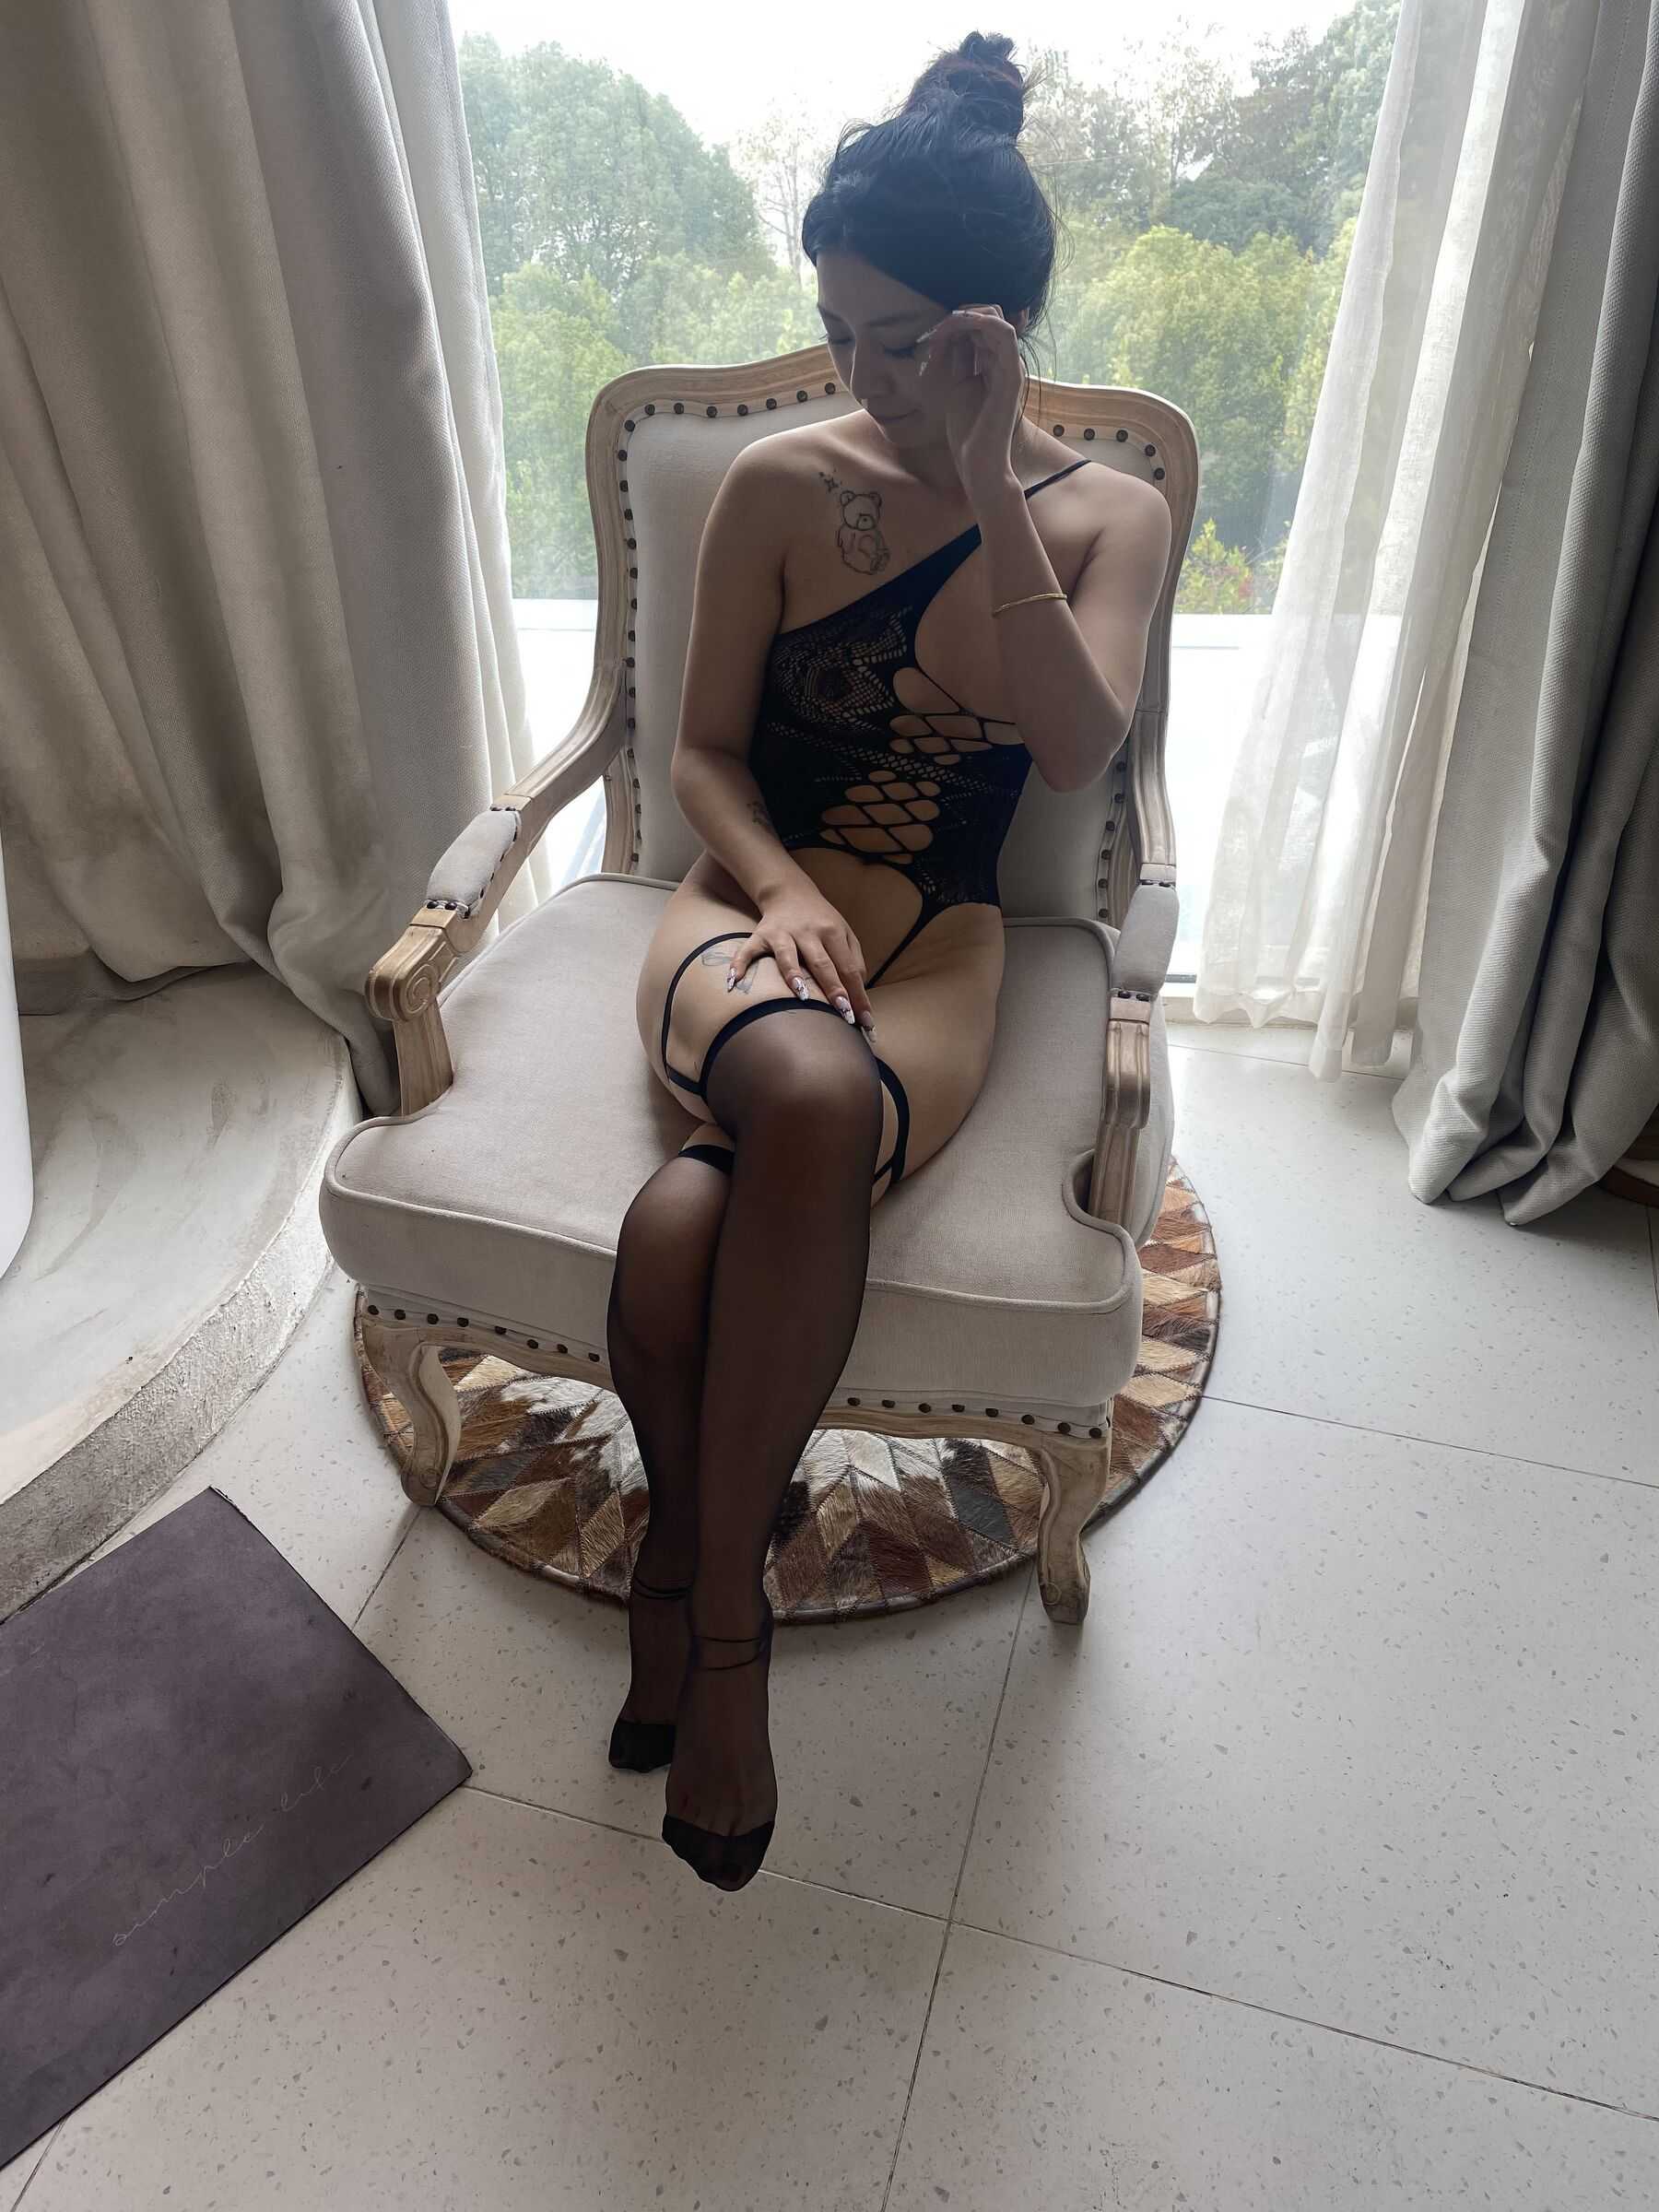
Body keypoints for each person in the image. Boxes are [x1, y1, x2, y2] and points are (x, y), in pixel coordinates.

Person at [604, 29, 1171, 1891]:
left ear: (996, 332)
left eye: (901, 339)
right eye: (837, 330)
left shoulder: (1110, 514)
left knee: (688, 1225)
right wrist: (772, 888)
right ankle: (733, 1656)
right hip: (749, 906)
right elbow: (700, 752)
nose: (860, 372)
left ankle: (677, 1566)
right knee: (801, 1081)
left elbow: (1073, 753)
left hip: (942, 952)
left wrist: (994, 481)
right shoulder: (782, 484)